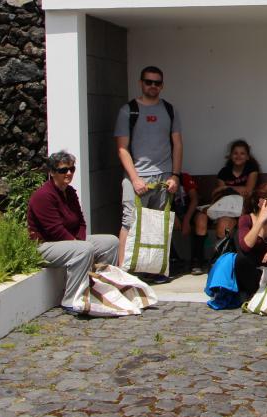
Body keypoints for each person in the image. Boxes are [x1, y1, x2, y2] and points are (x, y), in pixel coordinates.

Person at [27, 151, 119, 312]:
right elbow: (55, 230)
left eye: (71, 169)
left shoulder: (69, 192)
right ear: (52, 173)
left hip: (69, 242)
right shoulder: (43, 196)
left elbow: (81, 223)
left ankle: (99, 289)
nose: (68, 173)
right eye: (63, 170)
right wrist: (80, 245)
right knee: (84, 249)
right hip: (45, 245)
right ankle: (71, 300)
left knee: (111, 242)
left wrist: (80, 241)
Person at [114, 65, 182, 280]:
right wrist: (134, 179)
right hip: (138, 178)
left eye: (157, 82)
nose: (153, 86)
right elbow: (122, 148)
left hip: (164, 178)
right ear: (141, 83)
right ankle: (124, 270)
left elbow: (178, 144)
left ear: (162, 85)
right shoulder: (128, 110)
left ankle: (155, 269)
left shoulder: (170, 110)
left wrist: (175, 175)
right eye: (148, 82)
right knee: (129, 222)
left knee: (158, 224)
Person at [190, 139, 260, 274]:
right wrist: (235, 189)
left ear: (247, 156)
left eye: (242, 153)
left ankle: (220, 261)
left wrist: (228, 187)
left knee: (224, 223)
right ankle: (197, 261)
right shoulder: (224, 172)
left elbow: (249, 191)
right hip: (221, 206)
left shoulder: (251, 169)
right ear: (230, 156)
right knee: (200, 219)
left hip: (240, 208)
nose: (238, 156)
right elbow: (220, 192)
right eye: (235, 153)